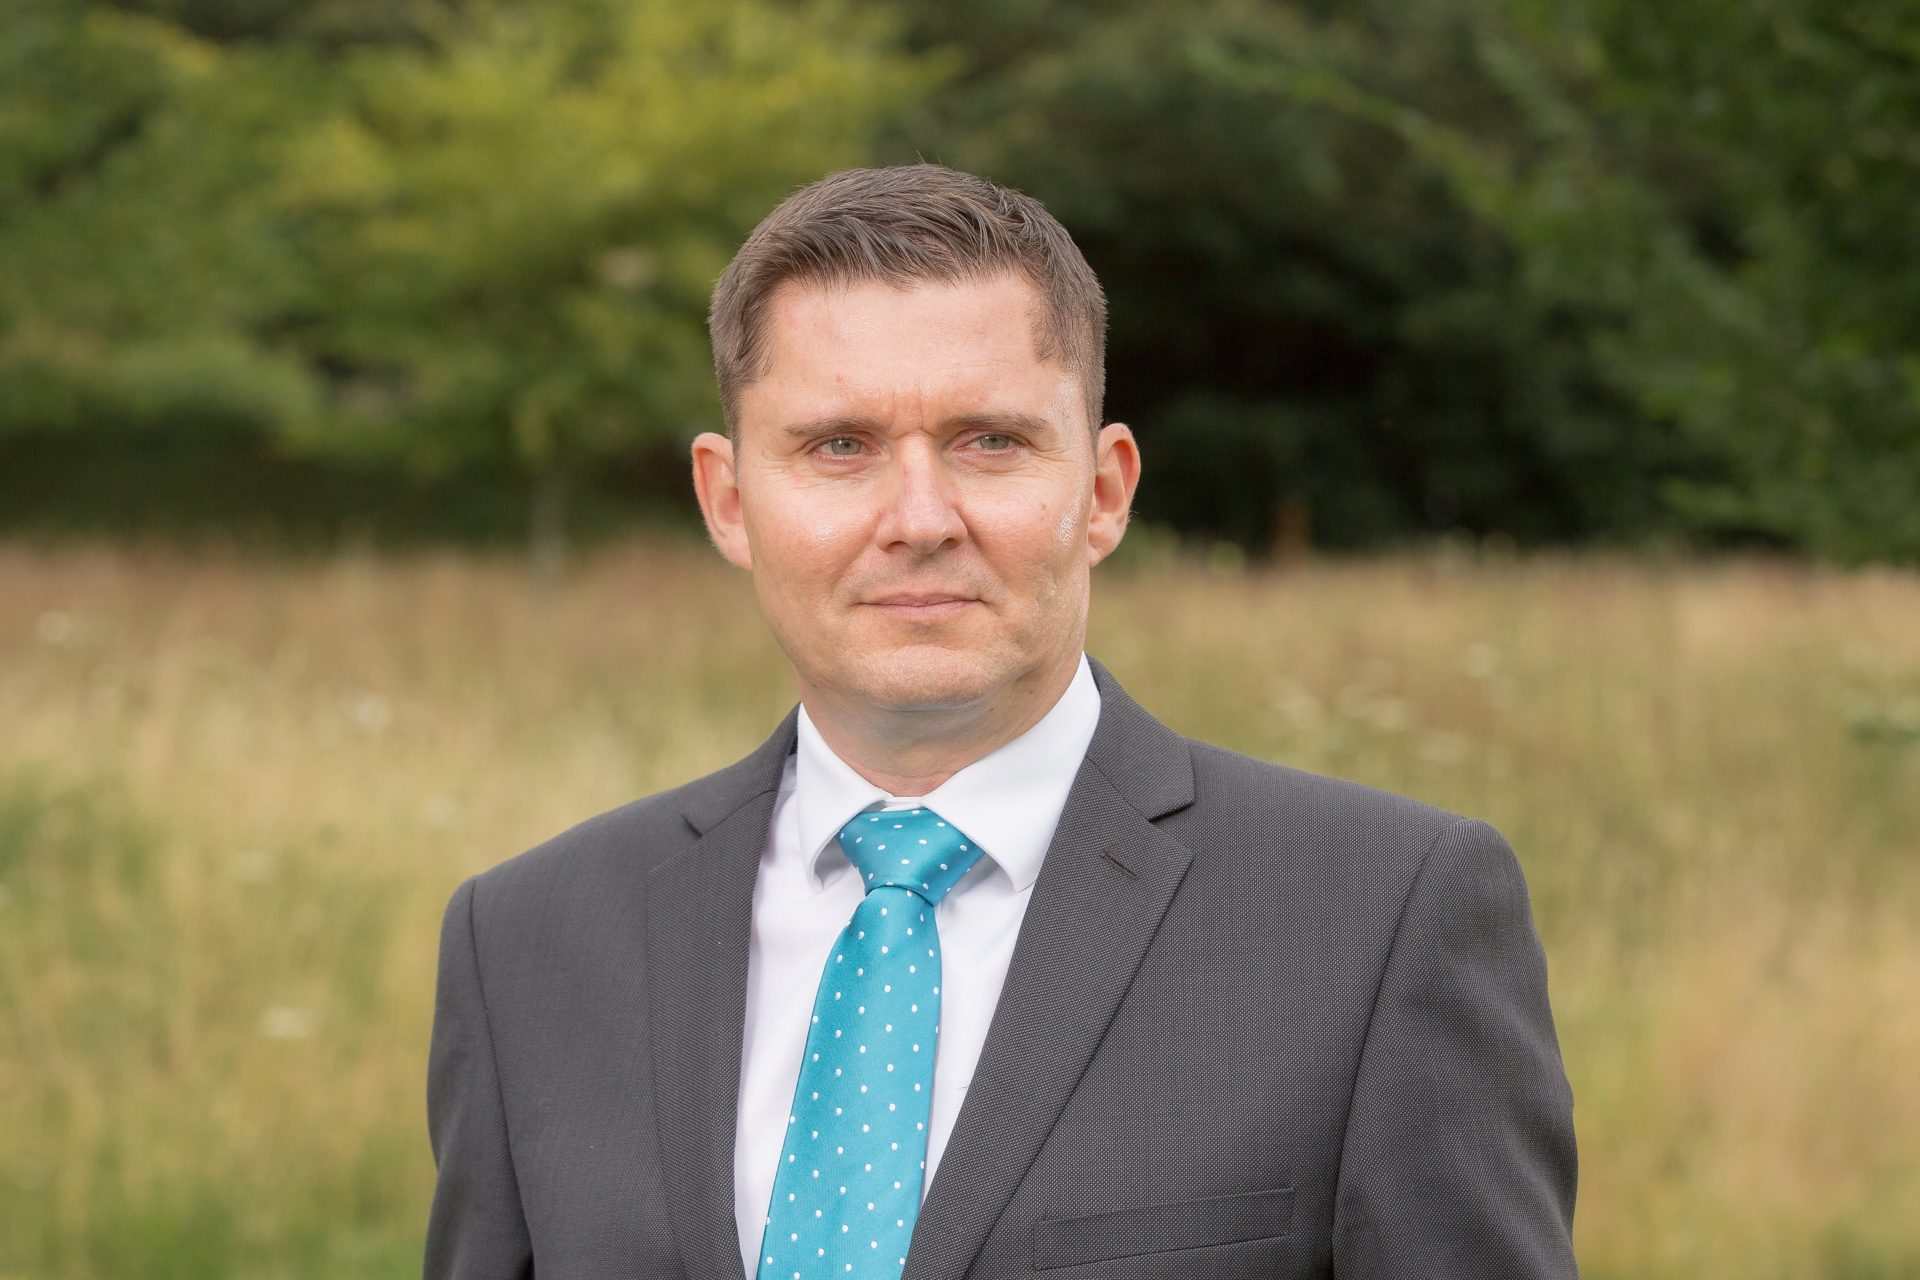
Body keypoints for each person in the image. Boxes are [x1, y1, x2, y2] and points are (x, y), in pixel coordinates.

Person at [423, 164, 1578, 1280]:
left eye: (991, 441)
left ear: (1106, 489)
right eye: (840, 447)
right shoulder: (525, 942)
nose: (920, 517)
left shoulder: (1380, 915)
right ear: (730, 501)